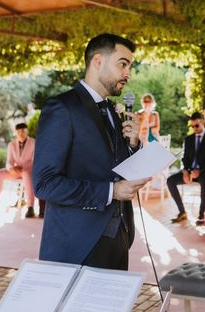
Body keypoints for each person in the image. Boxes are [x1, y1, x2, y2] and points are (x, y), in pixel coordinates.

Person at [33, 33, 148, 270]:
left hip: (119, 237)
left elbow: (116, 167)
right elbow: (45, 184)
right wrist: (111, 191)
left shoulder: (112, 111)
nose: (128, 74)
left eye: (130, 67)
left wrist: (134, 144)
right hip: (78, 244)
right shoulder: (62, 107)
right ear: (97, 61)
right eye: (123, 64)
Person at [167, 112, 205, 225]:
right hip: (189, 172)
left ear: (202, 122)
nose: (194, 128)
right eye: (192, 126)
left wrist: (199, 171)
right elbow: (185, 157)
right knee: (170, 181)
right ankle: (182, 212)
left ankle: (201, 215)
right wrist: (185, 170)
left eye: (196, 125)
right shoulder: (188, 139)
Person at [0, 122, 37, 218]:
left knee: (26, 174)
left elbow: (35, 160)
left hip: (29, 171)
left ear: (27, 131)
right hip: (16, 171)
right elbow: (9, 161)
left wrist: (25, 168)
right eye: (19, 131)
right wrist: (11, 168)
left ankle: (30, 207)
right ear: (16, 133)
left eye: (23, 131)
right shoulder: (11, 144)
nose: (21, 134)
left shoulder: (34, 143)